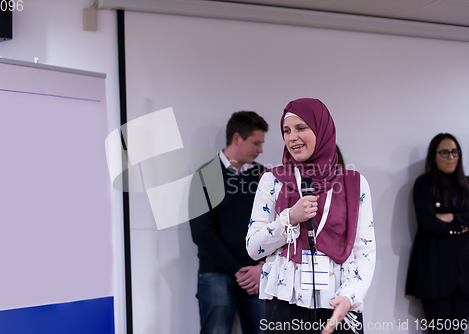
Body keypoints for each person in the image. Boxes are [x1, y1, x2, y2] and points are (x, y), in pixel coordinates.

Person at [246, 98, 375, 333]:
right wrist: (289, 218)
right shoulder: (272, 180)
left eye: (301, 128)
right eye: (286, 130)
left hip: (338, 302)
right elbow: (254, 248)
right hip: (286, 305)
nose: (292, 137)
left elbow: (364, 251)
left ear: (322, 130)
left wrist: (349, 297)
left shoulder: (355, 183)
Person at [190, 111, 269, 334]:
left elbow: (275, 228)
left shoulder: (264, 177)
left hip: (257, 274)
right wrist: (239, 271)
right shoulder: (205, 176)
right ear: (237, 139)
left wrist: (261, 268)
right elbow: (202, 233)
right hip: (217, 273)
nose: (261, 149)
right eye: (256, 142)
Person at [406, 133, 469, 334]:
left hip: (464, 274)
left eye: (454, 152)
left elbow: (438, 221)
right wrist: (463, 223)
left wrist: (450, 217)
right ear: (434, 156)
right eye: (444, 152)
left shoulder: (467, 184)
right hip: (434, 273)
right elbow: (428, 223)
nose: (450, 157)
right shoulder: (424, 184)